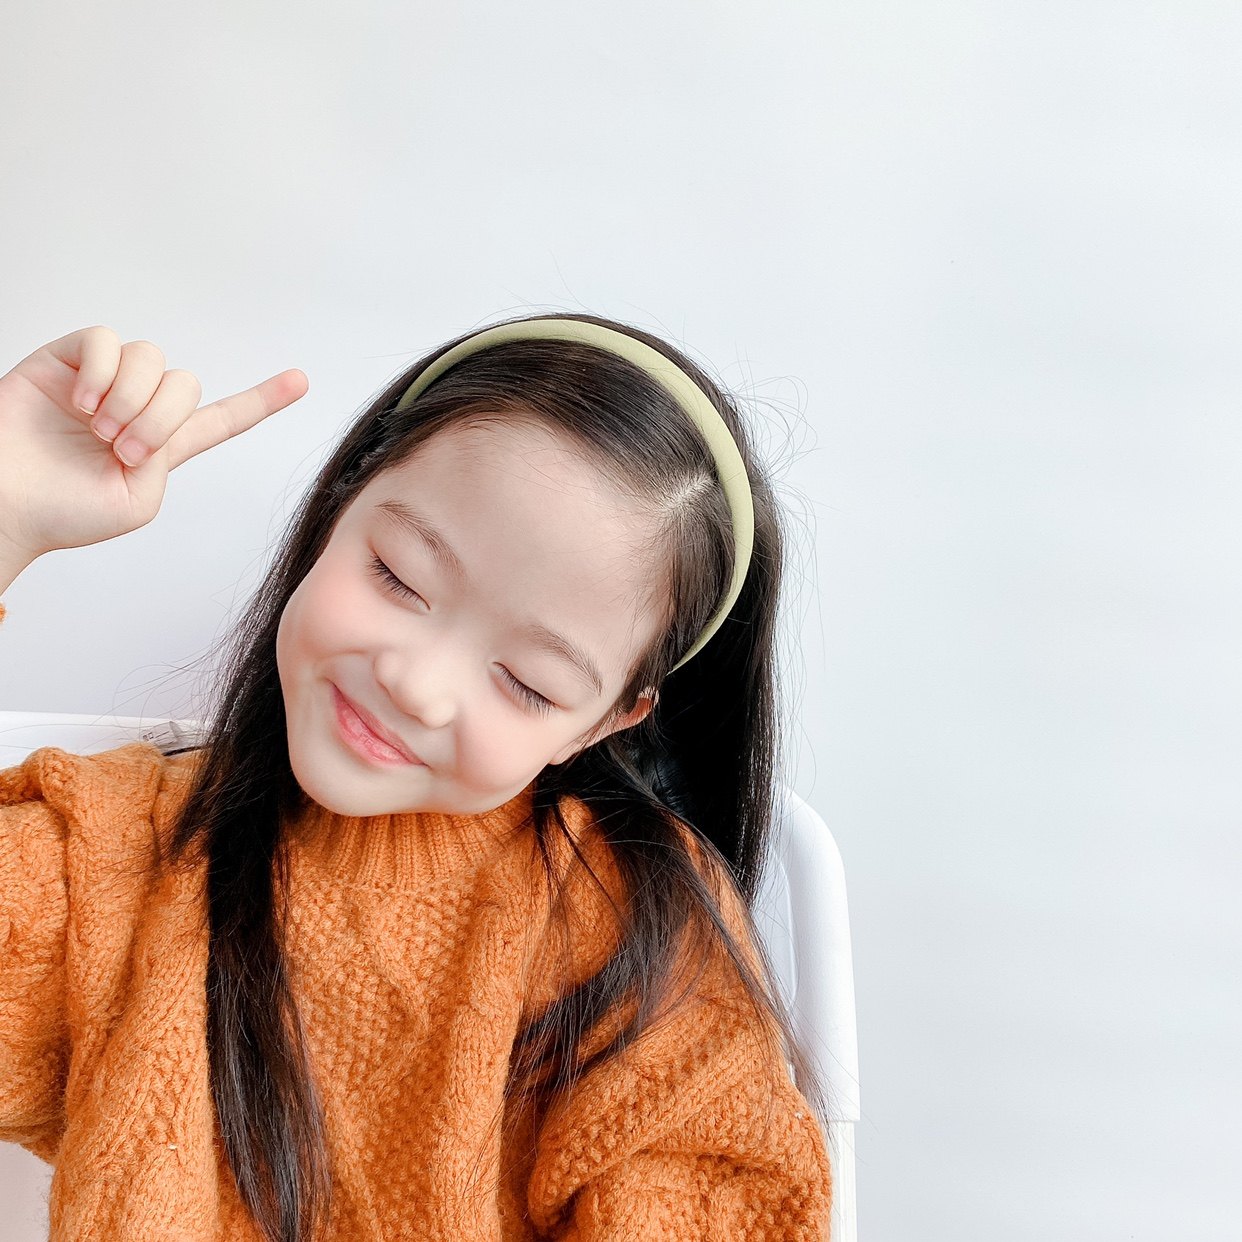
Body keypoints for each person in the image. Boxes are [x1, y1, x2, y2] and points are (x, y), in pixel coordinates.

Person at [0, 315, 834, 1240]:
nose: (418, 686)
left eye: (526, 682)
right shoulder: (114, 853)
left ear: (606, 721)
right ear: (342, 502)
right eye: (398, 577)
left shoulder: (638, 935)